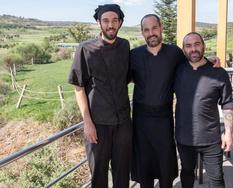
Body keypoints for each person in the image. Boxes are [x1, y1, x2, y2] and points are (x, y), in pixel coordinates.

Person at [68, 4, 132, 188]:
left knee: (122, 174)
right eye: (106, 21)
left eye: (114, 20)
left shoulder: (125, 45)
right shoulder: (85, 49)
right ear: (98, 23)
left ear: (120, 22)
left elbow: (126, 78)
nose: (110, 25)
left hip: (123, 123)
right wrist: (87, 123)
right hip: (97, 124)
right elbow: (78, 87)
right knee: (98, 175)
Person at [174, 32, 233, 188]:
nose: (193, 49)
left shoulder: (218, 73)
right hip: (184, 138)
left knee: (216, 179)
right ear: (183, 50)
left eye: (197, 44)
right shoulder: (177, 71)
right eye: (188, 46)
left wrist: (228, 134)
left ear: (203, 46)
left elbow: (227, 104)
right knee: (187, 174)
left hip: (212, 139)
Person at [130, 14, 183, 188]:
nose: (151, 33)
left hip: (164, 119)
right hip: (141, 121)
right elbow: (118, 78)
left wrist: (210, 61)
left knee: (165, 169)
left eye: (154, 28)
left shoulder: (175, 53)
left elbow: (193, 65)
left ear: (161, 28)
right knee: (145, 170)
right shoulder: (134, 55)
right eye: (146, 30)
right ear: (142, 32)